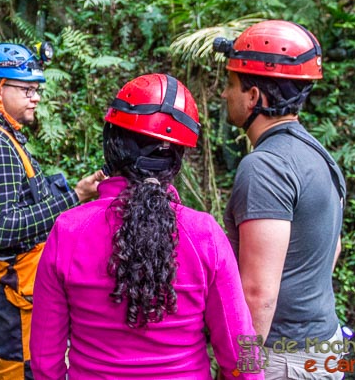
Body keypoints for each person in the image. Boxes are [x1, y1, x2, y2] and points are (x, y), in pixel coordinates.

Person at [30, 73, 265, 380]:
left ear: (112, 144)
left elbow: (45, 359)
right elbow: (241, 351)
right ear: (177, 158)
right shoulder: (204, 234)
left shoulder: (69, 231)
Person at [0, 42, 104, 379]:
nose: (35, 97)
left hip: (16, 282)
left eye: (36, 89)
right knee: (20, 366)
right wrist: (76, 197)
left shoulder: (3, 136)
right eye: (27, 90)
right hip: (9, 283)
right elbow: (4, 228)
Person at [214, 20, 347, 379]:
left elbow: (258, 294)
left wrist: (239, 370)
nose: (224, 95)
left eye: (231, 85)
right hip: (323, 346)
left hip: (282, 358)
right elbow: (331, 249)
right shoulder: (319, 156)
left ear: (255, 97)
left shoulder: (265, 168)